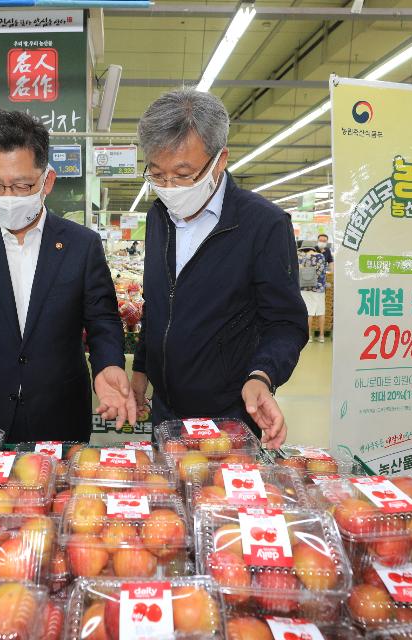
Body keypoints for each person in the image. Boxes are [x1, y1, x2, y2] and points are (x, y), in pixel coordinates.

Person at [0, 109, 135, 445]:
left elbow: (102, 321)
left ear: (47, 181)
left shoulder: (81, 244)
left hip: (60, 413)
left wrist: (107, 366)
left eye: (21, 185)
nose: (8, 198)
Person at [130, 90, 308, 448]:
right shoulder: (157, 217)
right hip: (166, 411)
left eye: (183, 175)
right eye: (157, 174)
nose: (169, 189)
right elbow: (158, 302)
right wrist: (140, 371)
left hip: (231, 415)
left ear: (220, 159)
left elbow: (285, 323)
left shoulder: (263, 225)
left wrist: (263, 376)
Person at [298, 240, 328, 342]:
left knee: (308, 312)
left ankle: (309, 336)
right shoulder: (321, 256)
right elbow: (321, 271)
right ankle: (321, 336)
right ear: (313, 247)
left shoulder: (301, 257)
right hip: (319, 288)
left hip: (305, 288)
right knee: (321, 312)